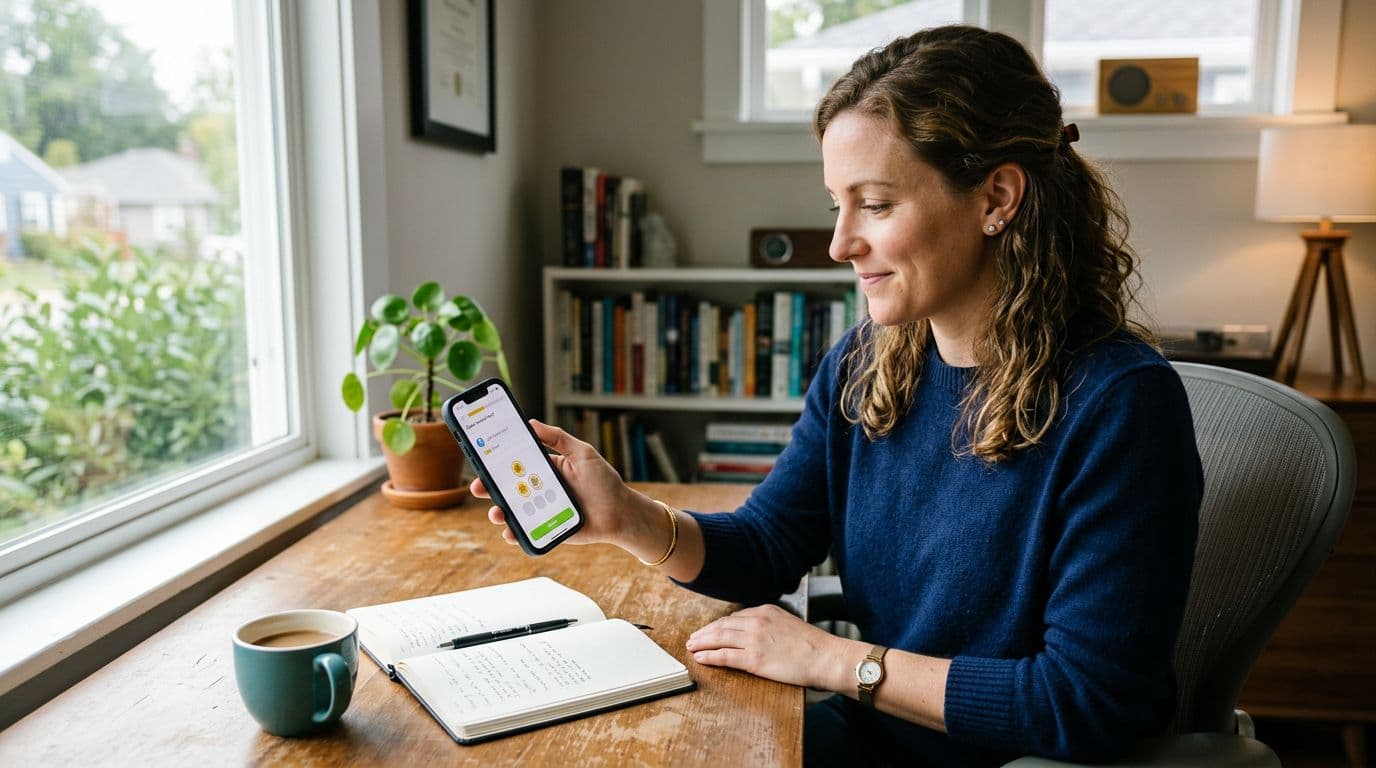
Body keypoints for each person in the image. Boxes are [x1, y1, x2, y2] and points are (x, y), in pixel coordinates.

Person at [474, 25, 1201, 766]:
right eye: (836, 207)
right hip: (877, 739)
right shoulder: (868, 364)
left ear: (997, 197)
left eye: (877, 205)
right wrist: (626, 515)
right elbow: (765, 547)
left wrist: (834, 662)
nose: (840, 243)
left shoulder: (1122, 407)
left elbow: (1084, 703)